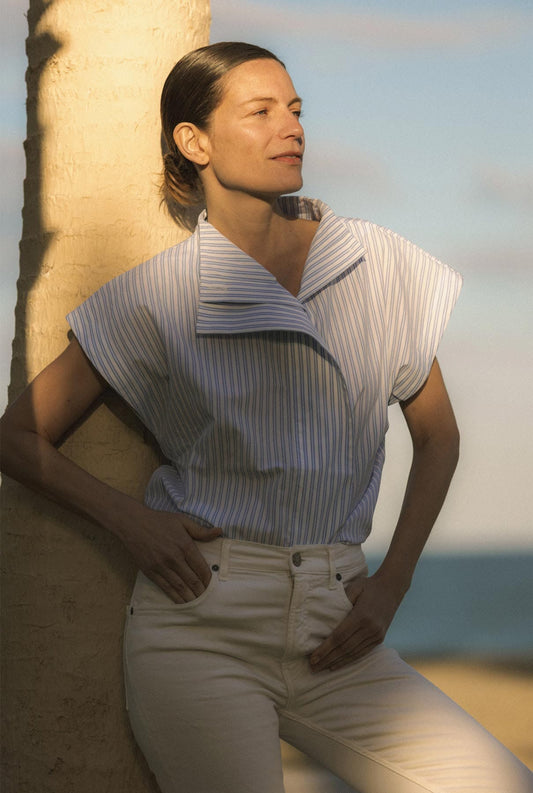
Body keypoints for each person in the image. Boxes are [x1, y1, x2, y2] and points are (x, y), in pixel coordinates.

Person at [1, 41, 531, 793]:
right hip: (200, 627)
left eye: (295, 109)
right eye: (260, 111)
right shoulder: (156, 295)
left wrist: (393, 582)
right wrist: (133, 522)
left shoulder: (376, 262)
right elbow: (18, 437)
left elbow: (438, 435)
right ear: (195, 142)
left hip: (337, 621)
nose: (291, 127)